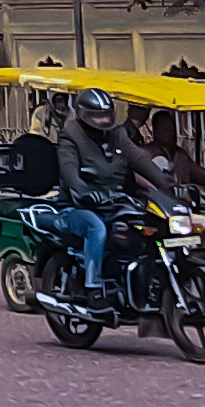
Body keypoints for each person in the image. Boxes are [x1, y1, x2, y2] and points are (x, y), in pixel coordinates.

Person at [41, 84, 137, 304]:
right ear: (85, 114)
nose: (103, 120)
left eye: (106, 114)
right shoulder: (71, 134)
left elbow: (139, 159)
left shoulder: (117, 134)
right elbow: (69, 171)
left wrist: (166, 185)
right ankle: (92, 285)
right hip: (76, 207)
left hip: (111, 203)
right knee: (96, 228)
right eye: (97, 115)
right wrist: (82, 191)